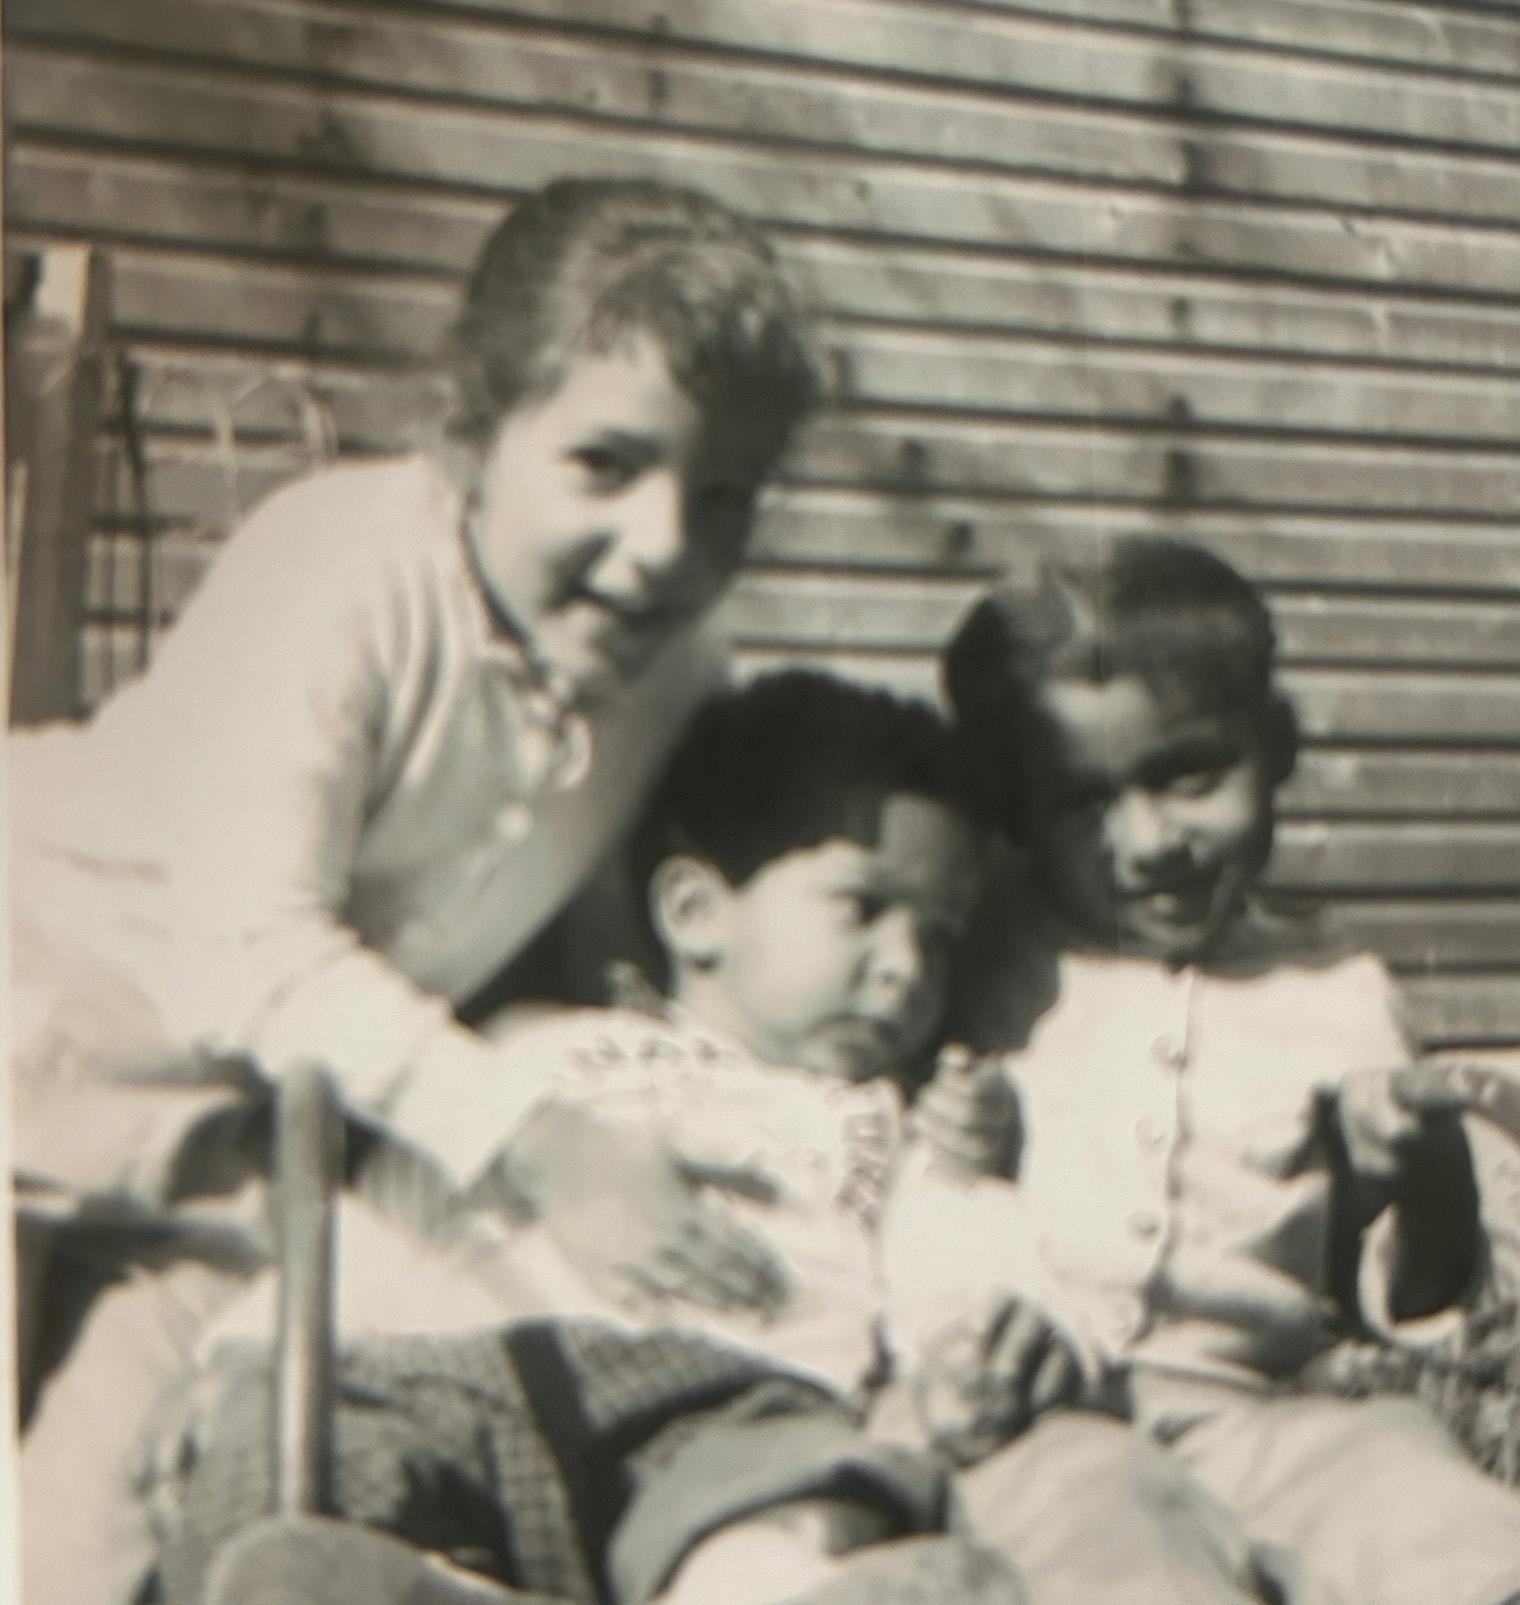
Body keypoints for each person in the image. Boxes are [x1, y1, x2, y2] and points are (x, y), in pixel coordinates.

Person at [11, 175, 820, 1605]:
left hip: (254, 1157)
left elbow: (597, 946)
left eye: (724, 496)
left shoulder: (676, 665)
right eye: (604, 466)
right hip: (39, 1024)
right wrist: (533, 1136)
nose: (665, 545)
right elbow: (247, 947)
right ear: (469, 429)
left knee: (118, 1535)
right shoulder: (343, 568)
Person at [145, 669, 1041, 1605]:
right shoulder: (540, 1051)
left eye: (940, 938)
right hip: (481, 1373)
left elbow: (951, 1253)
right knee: (319, 1460)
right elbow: (390, 1214)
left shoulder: (884, 1122)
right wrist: (243, 1355)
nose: (906, 968)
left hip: (735, 1404)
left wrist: (966, 1341)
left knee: (797, 1499)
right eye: (863, 908)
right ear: (696, 913)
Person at [930, 534, 1520, 1603]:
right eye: (1082, 802)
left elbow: (1414, 1292)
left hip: (1255, 1414)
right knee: (1124, 1553)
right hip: (1036, 1420)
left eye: (1186, 776)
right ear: (1017, 812)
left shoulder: (1335, 991)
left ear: (1276, 746)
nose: (1148, 841)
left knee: (1431, 1514)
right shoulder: (975, 949)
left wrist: (1423, 1164)